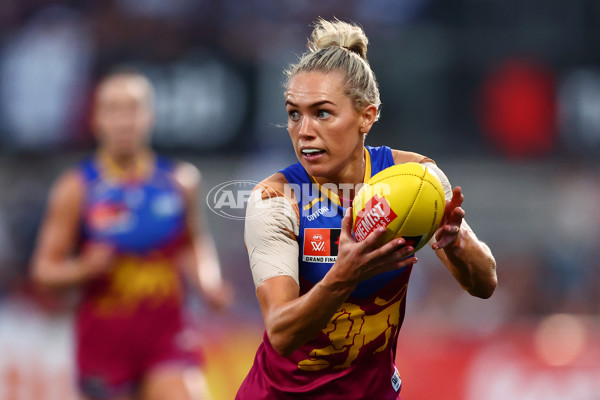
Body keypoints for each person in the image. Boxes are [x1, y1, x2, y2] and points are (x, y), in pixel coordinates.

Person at [236, 18, 497, 399]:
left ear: (367, 116)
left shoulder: (416, 180)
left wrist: (456, 244)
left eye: (322, 113)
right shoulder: (276, 200)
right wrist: (344, 275)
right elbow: (280, 332)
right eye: (294, 113)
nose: (304, 130)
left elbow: (485, 284)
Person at [31, 69, 232, 400]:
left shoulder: (181, 181)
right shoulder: (76, 188)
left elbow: (192, 242)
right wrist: (83, 268)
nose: (124, 121)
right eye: (113, 109)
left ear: (150, 116)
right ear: (96, 119)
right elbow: (43, 271)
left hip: (166, 339)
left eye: (133, 108)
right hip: (104, 347)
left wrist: (208, 284)